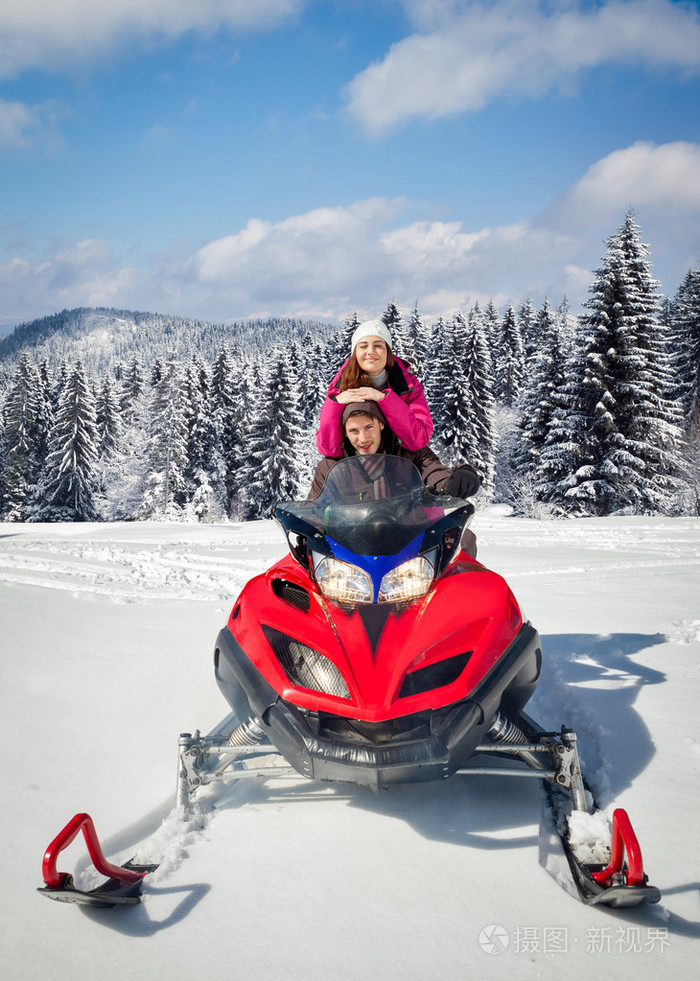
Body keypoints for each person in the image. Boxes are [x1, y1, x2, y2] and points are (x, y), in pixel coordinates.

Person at [308, 401, 480, 558]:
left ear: (381, 424)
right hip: (352, 549)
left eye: (369, 427)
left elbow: (435, 471)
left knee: (464, 539)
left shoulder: (410, 454)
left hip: (409, 544)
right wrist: (307, 533)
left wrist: (459, 476)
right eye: (354, 431)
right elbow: (313, 509)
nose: (363, 438)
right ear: (345, 432)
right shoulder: (331, 466)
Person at [316, 318, 433, 458]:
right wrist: (335, 403)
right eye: (363, 346)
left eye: (378, 345)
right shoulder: (341, 385)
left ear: (387, 351)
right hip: (355, 464)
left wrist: (385, 399)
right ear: (355, 353)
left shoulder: (406, 384)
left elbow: (418, 439)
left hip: (398, 461)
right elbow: (329, 450)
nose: (370, 351)